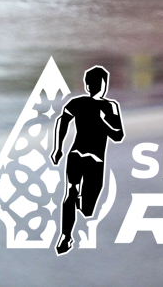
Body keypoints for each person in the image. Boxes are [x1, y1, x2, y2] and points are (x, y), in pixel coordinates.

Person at [50, 65, 123, 255]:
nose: (97, 86)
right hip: (81, 156)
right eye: (95, 83)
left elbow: (118, 135)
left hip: (90, 159)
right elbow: (62, 121)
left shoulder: (108, 106)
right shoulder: (80, 103)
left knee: (86, 207)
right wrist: (58, 148)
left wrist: (102, 122)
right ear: (89, 85)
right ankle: (66, 236)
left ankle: (77, 204)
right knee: (71, 192)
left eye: (99, 83)